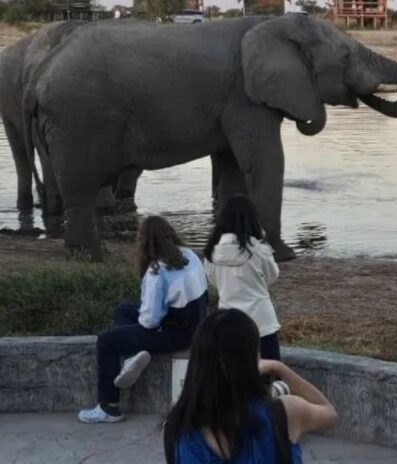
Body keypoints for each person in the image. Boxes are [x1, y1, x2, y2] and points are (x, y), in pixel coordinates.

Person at [78, 216, 208, 423]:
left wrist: (146, 325)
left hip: (176, 334)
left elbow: (149, 321)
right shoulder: (190, 256)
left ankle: (109, 407)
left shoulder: (157, 271)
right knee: (123, 311)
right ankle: (136, 352)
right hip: (198, 326)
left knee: (106, 341)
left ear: (144, 241)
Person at [164, 308, 338, 463]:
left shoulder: (176, 429)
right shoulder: (284, 414)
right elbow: (329, 413)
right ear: (251, 361)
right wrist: (280, 368)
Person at [203, 195, 282, 360]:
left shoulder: (211, 252)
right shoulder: (259, 250)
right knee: (270, 372)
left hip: (227, 320)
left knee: (232, 372)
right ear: (253, 218)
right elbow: (272, 276)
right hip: (261, 321)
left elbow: (213, 281)